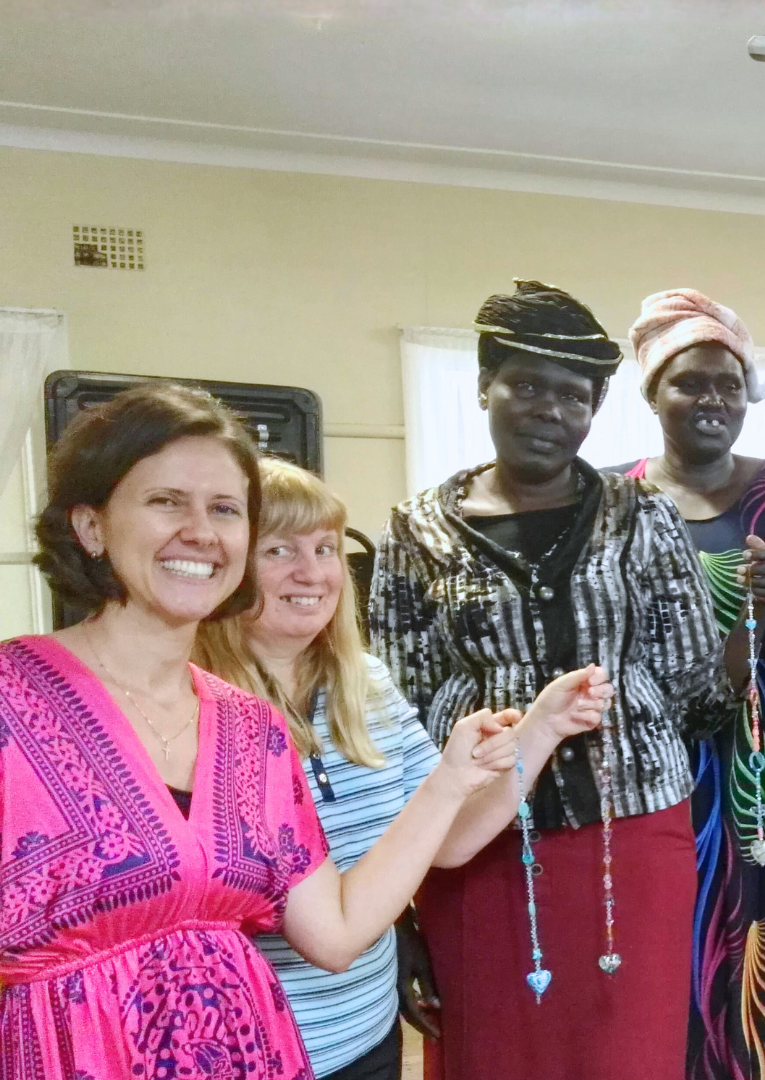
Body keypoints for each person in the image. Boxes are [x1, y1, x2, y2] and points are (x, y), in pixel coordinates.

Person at [0, 383, 515, 1079]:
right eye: (165, 501)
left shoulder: (252, 731)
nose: (201, 532)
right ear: (90, 525)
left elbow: (333, 934)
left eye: (225, 509)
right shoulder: (13, 699)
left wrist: (453, 780)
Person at [370, 281, 752, 1080]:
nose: (549, 409)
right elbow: (394, 723)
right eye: (526, 384)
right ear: (484, 386)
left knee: (628, 1052)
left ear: (598, 405)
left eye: (572, 395)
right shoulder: (416, 530)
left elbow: (696, 691)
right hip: (475, 845)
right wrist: (394, 906)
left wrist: (757, 624)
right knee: (493, 1051)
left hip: (634, 840)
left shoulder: (642, 516)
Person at [194, 458, 611, 1080]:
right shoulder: (193, 708)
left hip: (365, 1032)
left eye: (326, 548)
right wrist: (448, 782)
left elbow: (445, 839)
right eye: (278, 550)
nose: (312, 573)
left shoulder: (366, 683)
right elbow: (325, 933)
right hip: (248, 1046)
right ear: (229, 566)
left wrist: (542, 729)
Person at [622, 288, 765, 1080]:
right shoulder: (614, 500)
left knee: (761, 946)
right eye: (690, 382)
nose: (713, 398)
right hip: (653, 769)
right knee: (658, 954)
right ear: (652, 393)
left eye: (728, 382)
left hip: (762, 773)